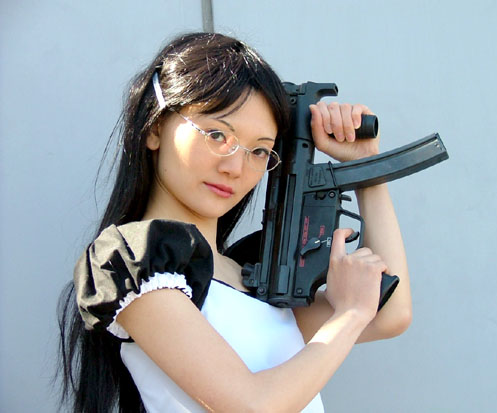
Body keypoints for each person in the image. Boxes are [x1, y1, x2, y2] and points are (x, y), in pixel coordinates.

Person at [58, 32, 412, 412]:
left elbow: (390, 315)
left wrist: (366, 169)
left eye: (259, 151)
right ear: (155, 127)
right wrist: (350, 313)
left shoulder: (254, 275)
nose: (235, 167)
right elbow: (253, 406)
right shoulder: (136, 262)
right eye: (216, 134)